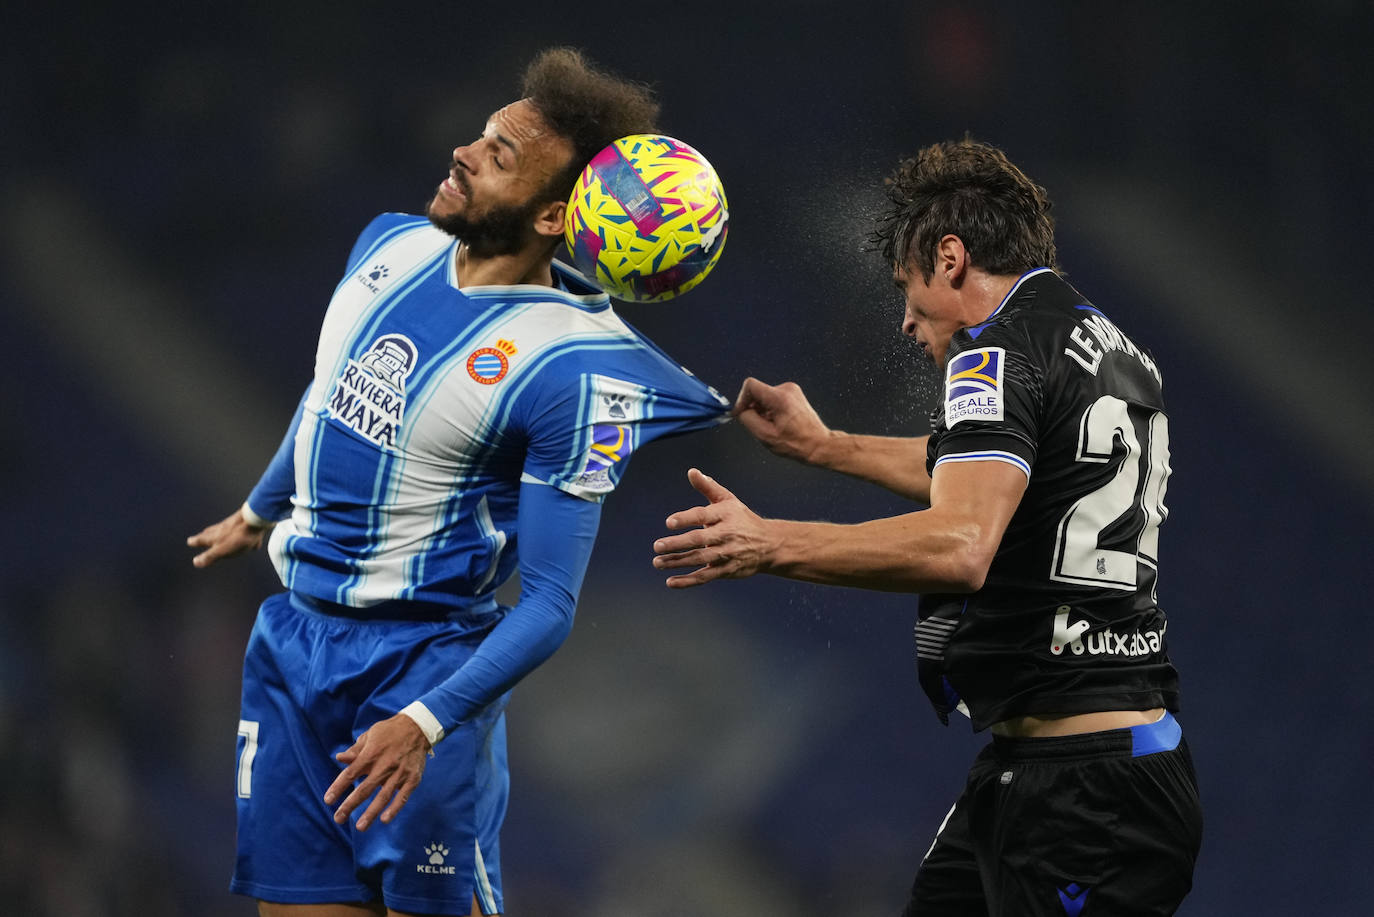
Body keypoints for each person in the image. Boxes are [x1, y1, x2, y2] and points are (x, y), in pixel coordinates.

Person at [187, 48, 729, 917]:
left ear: (555, 213)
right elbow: (330, 388)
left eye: (498, 155)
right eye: (482, 136)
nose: (464, 153)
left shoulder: (570, 366)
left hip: (418, 668)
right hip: (294, 646)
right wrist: (261, 505)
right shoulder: (388, 243)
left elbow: (550, 603)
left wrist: (425, 721)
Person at [652, 139, 1201, 916]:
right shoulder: (1107, 347)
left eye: (909, 290)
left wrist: (766, 540)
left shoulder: (991, 354)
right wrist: (828, 447)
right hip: (1062, 770)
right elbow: (987, 471)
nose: (907, 322)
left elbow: (962, 542)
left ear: (951, 257)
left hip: (1083, 792)